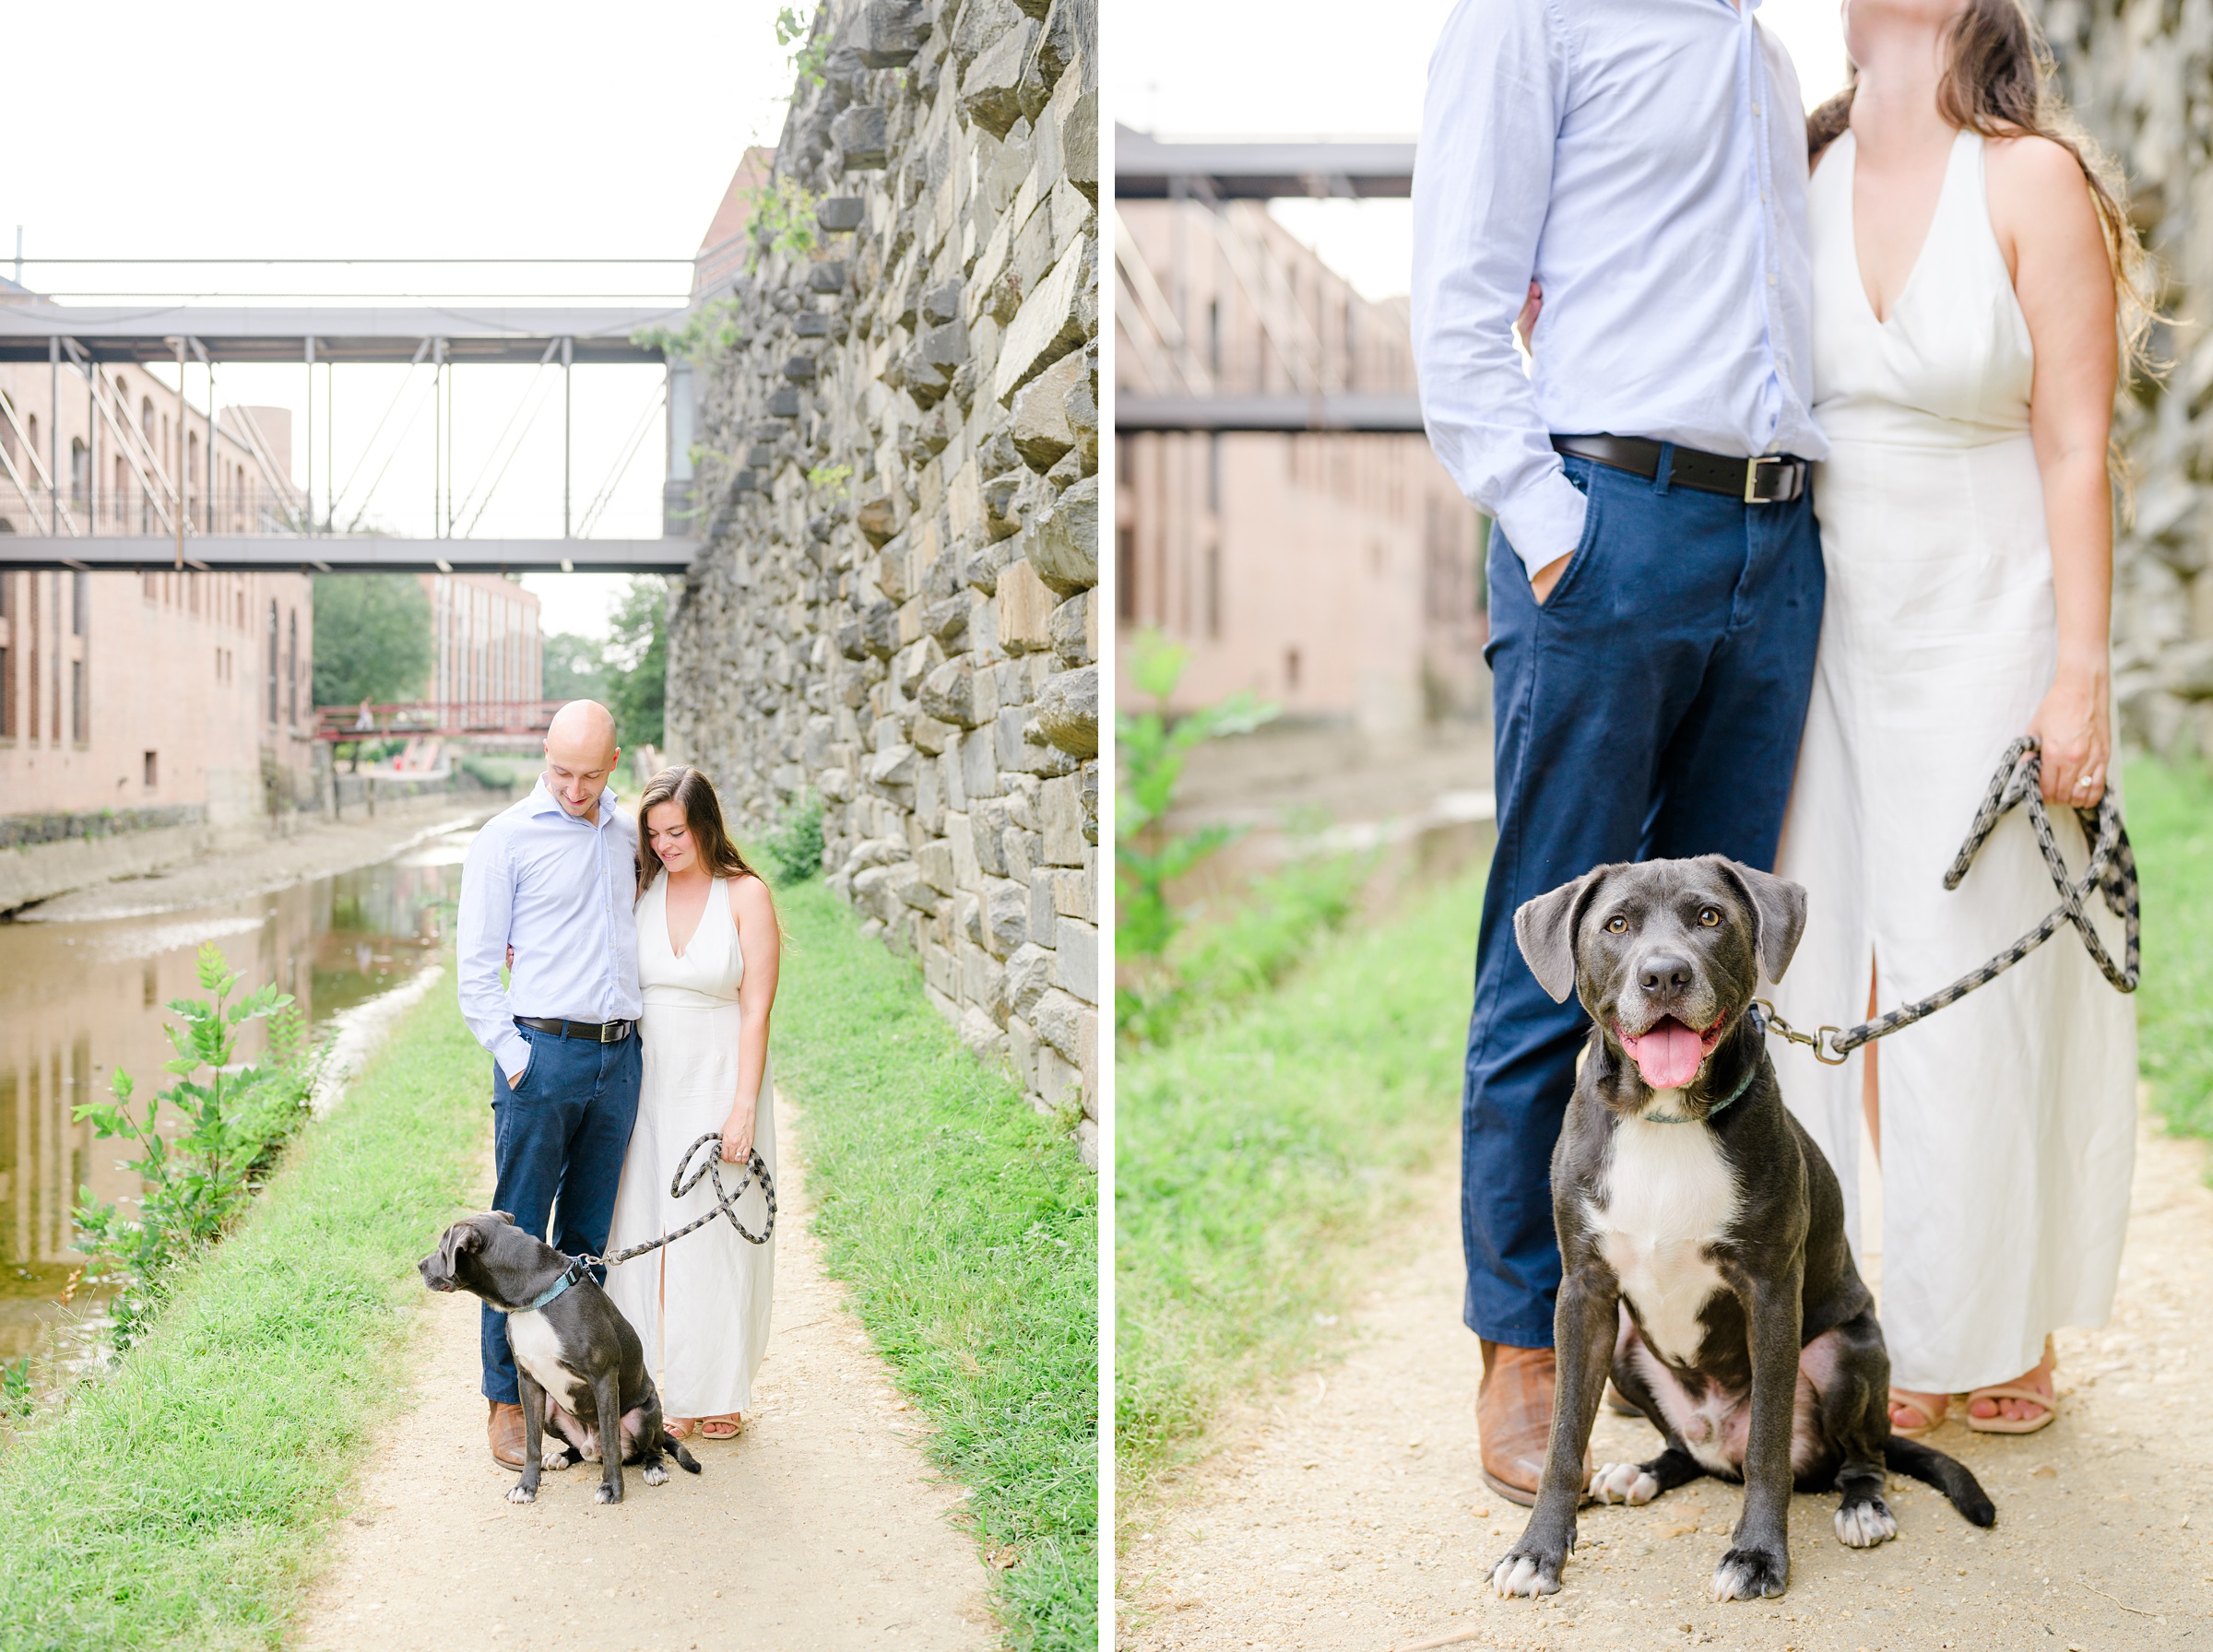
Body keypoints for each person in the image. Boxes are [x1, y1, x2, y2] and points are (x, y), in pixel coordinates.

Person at [1411, 0, 1828, 1504]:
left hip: (1773, 546)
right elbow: (1457, 295)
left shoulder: (1757, 48)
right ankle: (1527, 1340)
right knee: (1556, 956)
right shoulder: (1533, 17)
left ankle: (1692, 1324)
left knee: (1715, 969)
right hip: (1611, 527)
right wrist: (1548, 530)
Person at [1771, 0, 2144, 1438]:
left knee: (1973, 968)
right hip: (1824, 616)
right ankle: (1876, 1299)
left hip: (1988, 607)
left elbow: (2072, 437)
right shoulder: (1789, 162)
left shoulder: (2031, 176)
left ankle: (1993, 1317)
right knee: (1842, 979)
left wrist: (2080, 667)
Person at [456, 700, 643, 1469]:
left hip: (618, 1057)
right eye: (563, 771)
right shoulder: (506, 838)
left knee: (587, 1240)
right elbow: (474, 972)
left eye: (591, 774)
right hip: (542, 1055)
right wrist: (517, 1055)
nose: (575, 788)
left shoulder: (630, 831)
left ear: (614, 762)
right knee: (514, 1240)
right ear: (544, 755)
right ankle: (505, 1402)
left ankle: (576, 1392)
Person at [604, 766, 781, 1440]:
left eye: (676, 831)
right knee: (648, 1227)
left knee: (715, 1233)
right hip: (648, 1079)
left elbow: (756, 1010)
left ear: (705, 824)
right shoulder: (643, 889)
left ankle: (718, 1386)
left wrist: (740, 1108)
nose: (666, 844)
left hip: (719, 1073)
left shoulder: (746, 895)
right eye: (654, 834)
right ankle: (657, 1386)